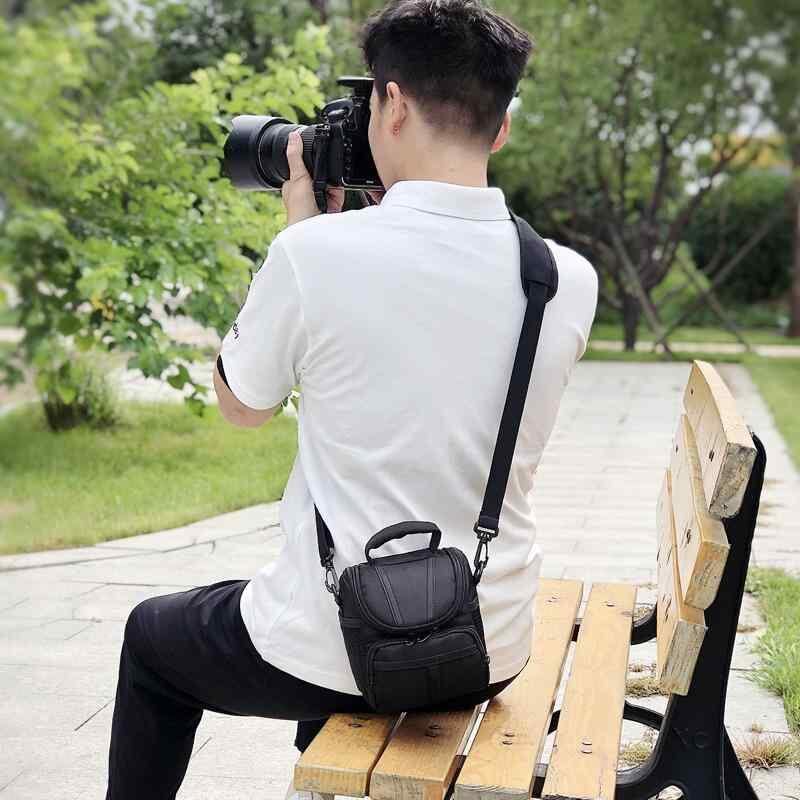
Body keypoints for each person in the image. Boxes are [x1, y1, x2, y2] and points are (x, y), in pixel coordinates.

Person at [104, 1, 598, 798]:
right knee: (332, 632)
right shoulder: (564, 277)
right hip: (490, 643)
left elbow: (242, 407)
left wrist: (298, 237)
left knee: (152, 640)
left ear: (392, 103)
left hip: (337, 648)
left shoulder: (314, 256)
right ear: (502, 127)